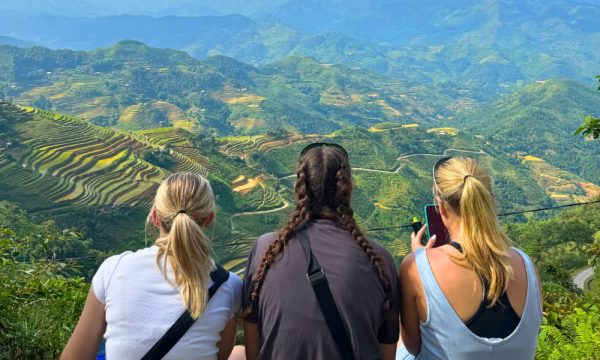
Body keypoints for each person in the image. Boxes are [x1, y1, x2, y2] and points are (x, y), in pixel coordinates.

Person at [242, 143, 400, 360]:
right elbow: (387, 354)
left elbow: (253, 351)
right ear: (348, 189)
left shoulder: (265, 249)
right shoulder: (380, 259)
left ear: (299, 189)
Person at [62, 173, 242, 360]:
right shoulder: (229, 286)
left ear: (155, 217)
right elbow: (221, 355)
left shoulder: (113, 269)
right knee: (240, 353)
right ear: (209, 219)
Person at [397, 157, 543, 359]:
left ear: (440, 207)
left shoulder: (415, 267)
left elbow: (413, 346)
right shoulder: (527, 265)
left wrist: (419, 259)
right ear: (489, 201)